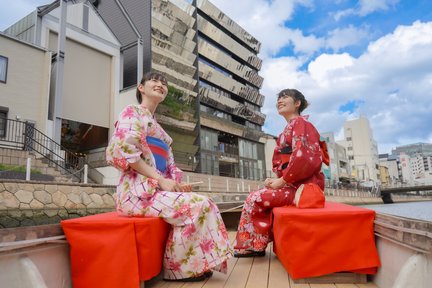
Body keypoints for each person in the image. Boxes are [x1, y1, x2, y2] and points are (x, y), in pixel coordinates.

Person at [106, 72, 232, 281]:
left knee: (205, 202)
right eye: (154, 81)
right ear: (141, 88)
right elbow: (127, 150)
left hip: (155, 191)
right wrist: (160, 179)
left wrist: (175, 184)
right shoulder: (131, 112)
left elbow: (170, 167)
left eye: (164, 83)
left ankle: (196, 264)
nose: (160, 85)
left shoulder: (160, 130)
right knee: (197, 206)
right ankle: (178, 269)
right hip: (136, 194)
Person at [233, 88, 328, 257]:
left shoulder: (301, 124)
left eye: (285, 97)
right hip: (293, 184)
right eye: (278, 98)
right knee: (259, 195)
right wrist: (275, 179)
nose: (280, 101)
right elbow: (287, 161)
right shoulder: (290, 128)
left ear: (297, 103)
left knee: (255, 198)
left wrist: (282, 181)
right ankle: (257, 242)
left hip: (303, 188)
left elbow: (303, 157)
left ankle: (255, 245)